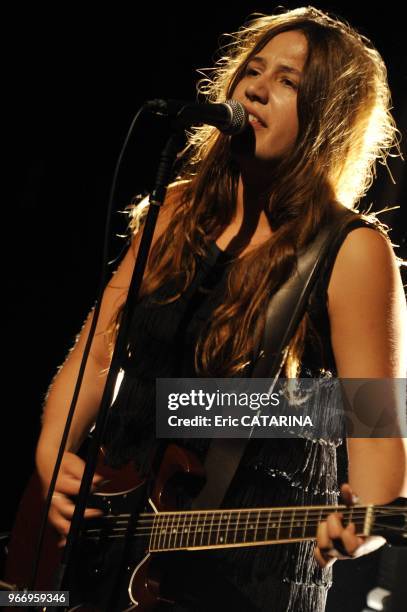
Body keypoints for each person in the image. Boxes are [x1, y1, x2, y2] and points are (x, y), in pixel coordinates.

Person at [35, 6, 406, 612]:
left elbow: (378, 464)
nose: (257, 87)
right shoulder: (176, 211)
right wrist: (53, 459)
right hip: (110, 553)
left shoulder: (353, 252)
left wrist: (356, 528)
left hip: (246, 576)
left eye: (289, 82)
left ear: (328, 122)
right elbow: (94, 353)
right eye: (252, 70)